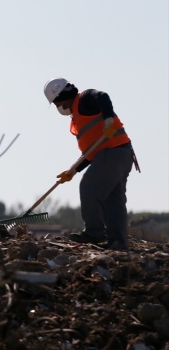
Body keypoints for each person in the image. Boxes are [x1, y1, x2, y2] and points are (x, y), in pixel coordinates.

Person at [43, 78, 140, 250]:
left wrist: (109, 119)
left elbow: (102, 96)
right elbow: (90, 153)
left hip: (113, 152)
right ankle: (118, 242)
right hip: (121, 154)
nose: (59, 107)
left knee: (89, 186)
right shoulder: (78, 118)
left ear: (62, 98)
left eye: (57, 103)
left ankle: (94, 232)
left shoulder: (85, 99)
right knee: (114, 200)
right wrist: (73, 171)